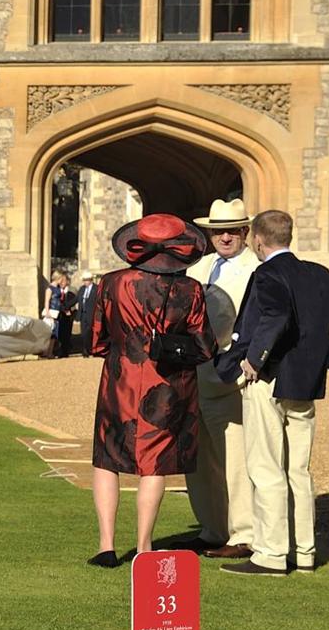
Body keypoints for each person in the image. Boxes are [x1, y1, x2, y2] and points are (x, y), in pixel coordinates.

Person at [215, 210, 329, 576]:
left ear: (257, 240)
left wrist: (255, 358)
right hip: (305, 384)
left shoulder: (267, 273)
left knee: (266, 468)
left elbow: (276, 317)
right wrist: (328, 356)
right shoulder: (318, 274)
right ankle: (304, 553)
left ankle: (269, 554)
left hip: (269, 380)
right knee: (298, 471)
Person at [86, 215, 214, 567]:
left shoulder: (110, 283)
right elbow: (205, 347)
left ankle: (106, 545)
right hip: (168, 383)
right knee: (154, 464)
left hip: (120, 378)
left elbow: (95, 340)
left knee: (107, 458)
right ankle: (144, 547)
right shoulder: (191, 290)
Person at [179, 198, 260, 559]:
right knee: (199, 460)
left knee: (236, 459)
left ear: (244, 231)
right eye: (218, 231)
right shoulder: (200, 267)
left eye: (232, 230)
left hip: (231, 378)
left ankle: (244, 532)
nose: (225, 237)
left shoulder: (256, 269)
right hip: (194, 375)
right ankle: (212, 528)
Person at [43, 269, 75, 356]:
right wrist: (47, 311)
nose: (62, 281)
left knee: (55, 334)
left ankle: (50, 352)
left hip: (57, 313)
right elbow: (47, 301)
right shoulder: (49, 288)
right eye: (61, 278)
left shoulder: (58, 289)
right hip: (51, 312)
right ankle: (46, 351)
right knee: (50, 333)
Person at [73, 271, 99, 342]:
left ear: (90, 280)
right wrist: (66, 306)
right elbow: (76, 299)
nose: (85, 282)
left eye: (86, 280)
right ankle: (85, 349)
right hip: (83, 314)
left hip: (92, 314)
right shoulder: (82, 289)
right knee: (83, 333)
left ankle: (90, 348)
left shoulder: (96, 288)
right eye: (84, 280)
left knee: (90, 332)